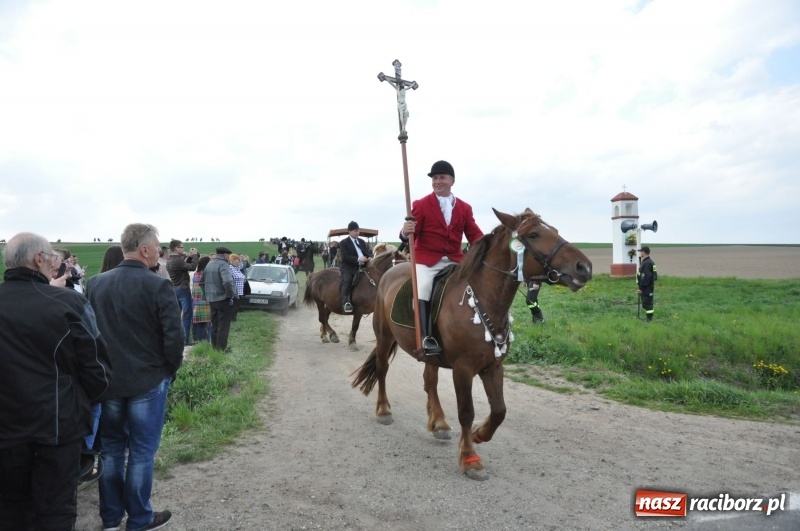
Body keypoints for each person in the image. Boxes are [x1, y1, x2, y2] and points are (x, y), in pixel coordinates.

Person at [0, 232, 112, 530]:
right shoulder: (68, 302)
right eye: (51, 256)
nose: (54, 261)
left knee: (9, 508)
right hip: (57, 427)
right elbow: (98, 371)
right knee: (56, 509)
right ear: (38, 258)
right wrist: (80, 402)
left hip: (7, 428)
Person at [86, 223, 183, 531]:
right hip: (147, 380)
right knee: (141, 452)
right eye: (156, 246)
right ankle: (140, 518)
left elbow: (89, 335)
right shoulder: (158, 285)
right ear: (144, 249)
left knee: (112, 450)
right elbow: (174, 336)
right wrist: (169, 370)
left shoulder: (95, 284)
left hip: (109, 382)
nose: (158, 251)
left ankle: (111, 519)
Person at [400, 160, 484, 354]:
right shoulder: (420, 205)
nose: (437, 181)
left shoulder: (465, 208)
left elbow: (474, 235)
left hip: (455, 259)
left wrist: (489, 244)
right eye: (435, 178)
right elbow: (410, 235)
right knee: (423, 287)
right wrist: (405, 231)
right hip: (427, 260)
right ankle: (426, 336)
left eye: (442, 178)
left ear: (452, 181)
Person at [201, 247, 236, 352]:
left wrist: (207, 294)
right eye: (229, 255)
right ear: (225, 255)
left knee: (214, 324)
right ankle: (221, 349)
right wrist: (230, 295)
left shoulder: (209, 264)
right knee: (223, 325)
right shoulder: (223, 264)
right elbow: (228, 282)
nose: (229, 257)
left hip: (212, 299)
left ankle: (214, 348)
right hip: (223, 299)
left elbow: (202, 282)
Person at [166, 239, 198, 346]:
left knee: (177, 315)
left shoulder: (170, 259)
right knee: (187, 315)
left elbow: (183, 266)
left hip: (175, 288)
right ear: (176, 248)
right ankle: (185, 340)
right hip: (183, 289)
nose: (183, 249)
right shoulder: (177, 260)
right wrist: (195, 256)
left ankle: (177, 339)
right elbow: (192, 267)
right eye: (182, 247)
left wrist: (188, 257)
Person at [338, 221, 373, 313]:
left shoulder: (361, 241)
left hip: (363, 265)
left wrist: (370, 257)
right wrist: (358, 259)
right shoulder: (343, 243)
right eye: (355, 231)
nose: (357, 233)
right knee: (348, 279)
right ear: (349, 231)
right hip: (348, 266)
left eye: (358, 231)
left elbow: (367, 252)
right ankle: (346, 302)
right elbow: (345, 257)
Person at [191, 256, 212, 343]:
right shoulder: (206, 274)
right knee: (206, 324)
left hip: (196, 300)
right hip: (204, 300)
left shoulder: (196, 274)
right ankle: (205, 342)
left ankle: (198, 340)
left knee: (199, 323)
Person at [637, 246, 657, 322]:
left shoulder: (647, 263)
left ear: (644, 252)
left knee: (647, 303)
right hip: (649, 286)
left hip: (646, 287)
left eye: (641, 251)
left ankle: (649, 320)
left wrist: (641, 288)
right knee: (647, 303)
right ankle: (649, 319)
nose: (640, 253)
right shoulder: (650, 262)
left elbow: (645, 277)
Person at [229, 253, 246, 321]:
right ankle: (232, 318)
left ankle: (234, 318)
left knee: (237, 305)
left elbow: (242, 277)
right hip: (234, 291)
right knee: (234, 306)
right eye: (236, 260)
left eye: (238, 260)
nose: (237, 261)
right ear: (231, 261)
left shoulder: (237, 268)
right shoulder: (230, 268)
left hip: (240, 290)